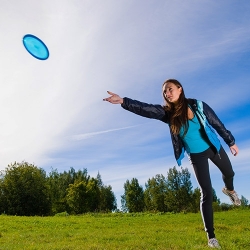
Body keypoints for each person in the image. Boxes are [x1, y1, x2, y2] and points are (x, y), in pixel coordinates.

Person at [103, 79, 241, 248]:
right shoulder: (167, 114)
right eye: (164, 92)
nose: (167, 94)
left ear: (180, 89)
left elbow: (216, 123)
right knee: (206, 193)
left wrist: (231, 141)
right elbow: (145, 109)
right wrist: (124, 101)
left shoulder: (198, 105)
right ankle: (211, 238)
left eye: (169, 89)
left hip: (213, 147)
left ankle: (230, 190)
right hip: (196, 155)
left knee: (229, 173)